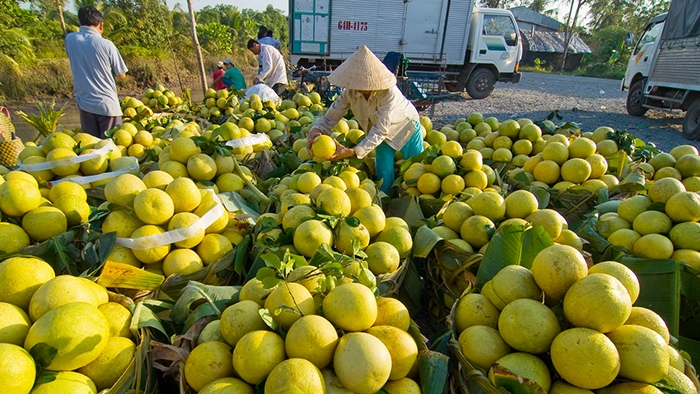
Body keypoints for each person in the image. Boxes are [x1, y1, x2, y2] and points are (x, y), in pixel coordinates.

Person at [307, 45, 424, 193]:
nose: (359, 87)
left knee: (418, 168)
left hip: (406, 125)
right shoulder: (350, 93)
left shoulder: (388, 93)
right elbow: (332, 115)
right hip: (379, 130)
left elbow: (381, 130)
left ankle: (418, 200)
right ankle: (385, 200)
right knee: (383, 170)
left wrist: (353, 151)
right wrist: (316, 130)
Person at [65, 6, 128, 139]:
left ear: (80, 23)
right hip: (107, 105)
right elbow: (121, 75)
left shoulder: (70, 40)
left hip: (85, 104)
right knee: (111, 149)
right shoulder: (106, 44)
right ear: (101, 25)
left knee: (91, 148)